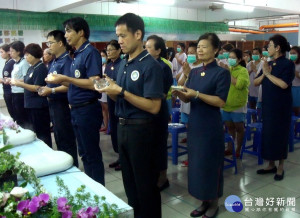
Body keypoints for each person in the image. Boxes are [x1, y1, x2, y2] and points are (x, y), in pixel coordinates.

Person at [95, 13, 163, 218]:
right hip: (122, 127)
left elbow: (153, 107)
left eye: (123, 36)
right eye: (118, 36)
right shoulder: (124, 64)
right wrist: (110, 90)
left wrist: (122, 91)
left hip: (141, 131)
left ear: (138, 34)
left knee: (145, 187)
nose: (120, 41)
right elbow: (121, 99)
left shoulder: (150, 65)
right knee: (130, 185)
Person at [172, 33, 230, 218]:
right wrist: (179, 93)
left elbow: (220, 101)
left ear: (215, 50)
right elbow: (189, 96)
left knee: (210, 164)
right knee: (197, 165)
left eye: (204, 47)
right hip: (195, 123)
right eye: (198, 47)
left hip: (210, 126)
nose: (200, 50)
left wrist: (196, 94)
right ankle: (203, 201)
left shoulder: (222, 73)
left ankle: (214, 203)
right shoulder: (195, 71)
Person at [46, 17, 104, 185]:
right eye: (65, 31)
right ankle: (91, 187)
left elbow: (95, 83)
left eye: (69, 31)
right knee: (84, 153)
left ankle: (99, 191)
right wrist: (59, 80)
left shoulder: (90, 52)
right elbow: (74, 83)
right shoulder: (77, 54)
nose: (66, 35)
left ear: (81, 32)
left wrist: (66, 79)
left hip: (87, 109)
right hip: (76, 109)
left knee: (91, 154)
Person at [254, 34, 295, 181]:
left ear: (277, 48)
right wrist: (265, 74)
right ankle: (270, 164)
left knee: (280, 135)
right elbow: (255, 82)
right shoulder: (268, 64)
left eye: (270, 45)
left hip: (281, 107)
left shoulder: (288, 64)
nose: (267, 48)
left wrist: (267, 74)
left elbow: (284, 84)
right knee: (268, 134)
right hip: (268, 105)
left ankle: (280, 166)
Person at [38, 30, 78, 167]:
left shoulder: (66, 61)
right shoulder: (55, 61)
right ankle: (63, 165)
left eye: (51, 43)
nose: (48, 46)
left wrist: (52, 89)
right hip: (53, 104)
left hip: (62, 105)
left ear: (60, 43)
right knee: (59, 137)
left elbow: (70, 85)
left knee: (66, 138)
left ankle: (71, 167)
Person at [146, 34, 173, 191]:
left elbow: (162, 92)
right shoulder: (146, 64)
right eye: (146, 46)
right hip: (146, 110)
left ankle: (163, 178)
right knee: (150, 145)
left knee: (159, 144)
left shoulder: (163, 66)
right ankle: (154, 174)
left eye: (149, 47)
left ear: (158, 51)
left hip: (158, 109)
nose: (146, 50)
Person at [12, 43, 52, 147]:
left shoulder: (40, 68)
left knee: (42, 132)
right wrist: (16, 80)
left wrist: (20, 84)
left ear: (34, 55)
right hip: (30, 105)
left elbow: (37, 87)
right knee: (35, 131)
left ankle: (46, 151)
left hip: (38, 106)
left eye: (28, 55)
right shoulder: (31, 67)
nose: (26, 58)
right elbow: (27, 80)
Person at [176, 42, 203, 166]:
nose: (192, 55)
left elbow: (200, 86)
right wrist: (186, 73)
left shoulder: (203, 67)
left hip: (198, 104)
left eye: (194, 52)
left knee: (198, 134)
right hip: (185, 104)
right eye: (190, 53)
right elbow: (180, 83)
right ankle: (191, 157)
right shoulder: (187, 65)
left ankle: (198, 157)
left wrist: (189, 74)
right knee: (190, 132)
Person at [223, 48, 249, 158]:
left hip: (238, 104)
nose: (230, 60)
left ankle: (238, 149)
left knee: (239, 128)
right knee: (229, 127)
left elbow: (238, 85)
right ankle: (230, 148)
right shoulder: (228, 69)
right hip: (226, 103)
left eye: (233, 58)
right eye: (229, 57)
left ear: (239, 60)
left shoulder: (243, 71)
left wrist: (228, 73)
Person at [105, 40, 122, 171]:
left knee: (120, 128)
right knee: (114, 129)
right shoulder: (108, 65)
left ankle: (124, 158)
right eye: (107, 50)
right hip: (110, 99)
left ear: (119, 50)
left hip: (119, 100)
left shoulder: (122, 64)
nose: (109, 52)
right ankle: (119, 156)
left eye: (111, 49)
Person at [9, 41, 30, 128]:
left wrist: (15, 81)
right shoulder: (15, 63)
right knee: (17, 115)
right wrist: (10, 80)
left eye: (12, 51)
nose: (10, 53)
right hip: (15, 92)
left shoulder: (24, 63)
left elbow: (27, 79)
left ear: (18, 52)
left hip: (21, 93)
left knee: (22, 116)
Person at [247, 47, 263, 122]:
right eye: (253, 54)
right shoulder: (250, 63)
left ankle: (259, 122)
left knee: (259, 109)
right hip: (251, 90)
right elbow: (246, 75)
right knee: (251, 107)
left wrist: (254, 69)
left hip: (259, 91)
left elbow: (261, 76)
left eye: (256, 54)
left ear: (260, 54)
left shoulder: (263, 64)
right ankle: (254, 121)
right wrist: (251, 70)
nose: (254, 55)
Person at [0, 44, 15, 120]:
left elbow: (9, 78)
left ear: (8, 52)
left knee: (13, 112)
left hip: (10, 91)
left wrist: (1, 80)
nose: (1, 54)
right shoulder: (7, 62)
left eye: (2, 52)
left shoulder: (11, 63)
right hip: (6, 90)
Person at [100, 49, 109, 133]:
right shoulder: (101, 66)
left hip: (107, 89)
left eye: (103, 56)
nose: (102, 58)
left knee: (107, 108)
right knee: (103, 108)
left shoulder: (109, 66)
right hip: (101, 89)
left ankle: (109, 126)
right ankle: (105, 125)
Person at [290, 46, 300, 116]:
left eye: (294, 53)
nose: (292, 55)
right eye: (291, 53)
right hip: (289, 88)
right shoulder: (289, 63)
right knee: (290, 108)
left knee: (297, 109)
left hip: (298, 89)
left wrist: (294, 69)